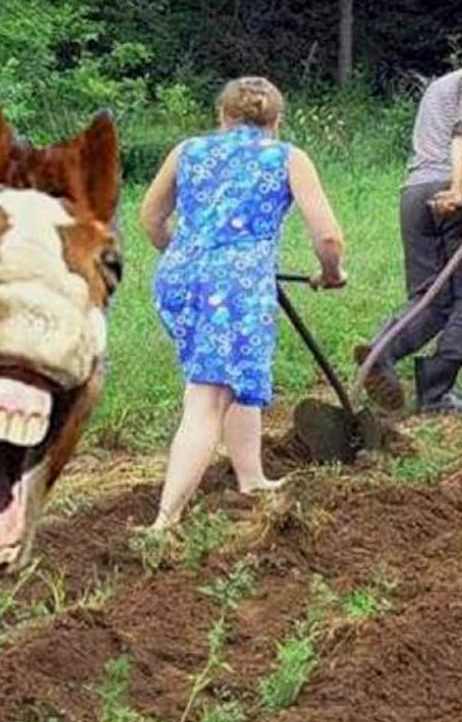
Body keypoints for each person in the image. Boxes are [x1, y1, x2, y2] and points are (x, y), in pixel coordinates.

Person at [139, 76, 347, 531]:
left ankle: (251, 478)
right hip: (233, 289)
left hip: (178, 279)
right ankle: (164, 521)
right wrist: (331, 275)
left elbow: (151, 219)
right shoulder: (287, 157)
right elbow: (328, 238)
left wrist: (190, 259)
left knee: (234, 376)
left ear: (222, 116)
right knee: (208, 397)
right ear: (277, 120)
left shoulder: (188, 150)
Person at [356, 29, 462, 414]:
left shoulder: (440, 84)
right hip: (450, 194)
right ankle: (436, 393)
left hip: (414, 191)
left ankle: (381, 352)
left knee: (429, 296)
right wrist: (459, 188)